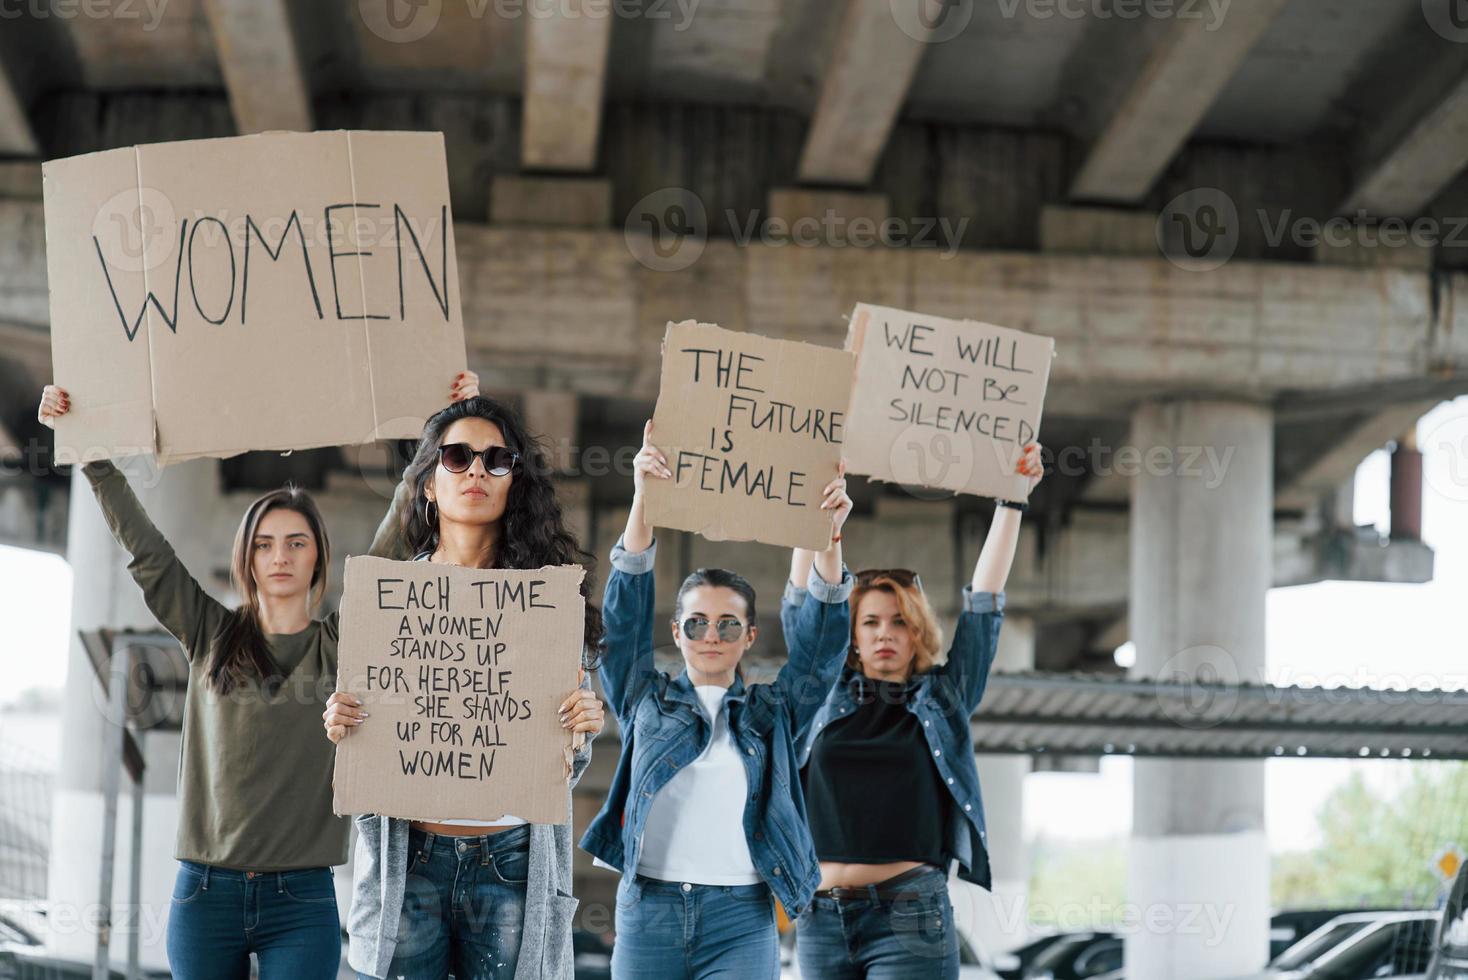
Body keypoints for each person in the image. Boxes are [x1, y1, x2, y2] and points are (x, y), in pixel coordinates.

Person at [34, 371, 476, 980]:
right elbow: (147, 549)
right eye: (265, 544)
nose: (280, 556)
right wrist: (88, 452)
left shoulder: (343, 641)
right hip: (203, 893)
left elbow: (397, 533)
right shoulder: (207, 632)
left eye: (296, 542)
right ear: (247, 556)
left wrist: (445, 428)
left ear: (318, 554)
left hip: (303, 899)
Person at [324, 394, 606, 980]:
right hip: (410, 865)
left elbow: (558, 769)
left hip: (513, 862)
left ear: (513, 482)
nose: (477, 469)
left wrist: (581, 731)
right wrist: (344, 723)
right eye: (457, 456)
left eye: (496, 459)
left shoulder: (549, 604)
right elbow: (373, 744)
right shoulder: (386, 601)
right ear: (428, 483)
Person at [579, 421, 854, 980]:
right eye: (698, 623)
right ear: (677, 631)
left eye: (730, 625)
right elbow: (622, 619)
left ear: (750, 637)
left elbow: (821, 653)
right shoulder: (644, 699)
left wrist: (829, 535)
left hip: (742, 917)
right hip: (647, 910)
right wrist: (643, 500)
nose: (712, 635)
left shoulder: (774, 714)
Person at [792, 442, 1046, 980]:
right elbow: (806, 605)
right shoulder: (817, 694)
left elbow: (984, 601)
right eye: (872, 622)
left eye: (900, 621)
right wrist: (819, 520)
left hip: (911, 914)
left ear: (917, 633)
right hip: (818, 916)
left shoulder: (944, 697)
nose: (886, 633)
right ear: (854, 637)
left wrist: (1012, 501)